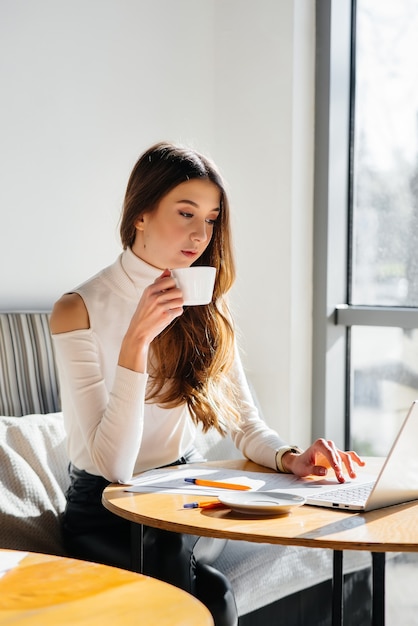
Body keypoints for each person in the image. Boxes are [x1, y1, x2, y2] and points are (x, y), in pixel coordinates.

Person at [50, 141, 364, 626]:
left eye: (212, 218)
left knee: (190, 563)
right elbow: (113, 465)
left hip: (181, 491)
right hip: (105, 507)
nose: (201, 233)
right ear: (140, 215)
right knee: (208, 595)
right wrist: (136, 341)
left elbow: (246, 425)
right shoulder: (79, 309)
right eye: (186, 213)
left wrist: (289, 456)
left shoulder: (205, 305)